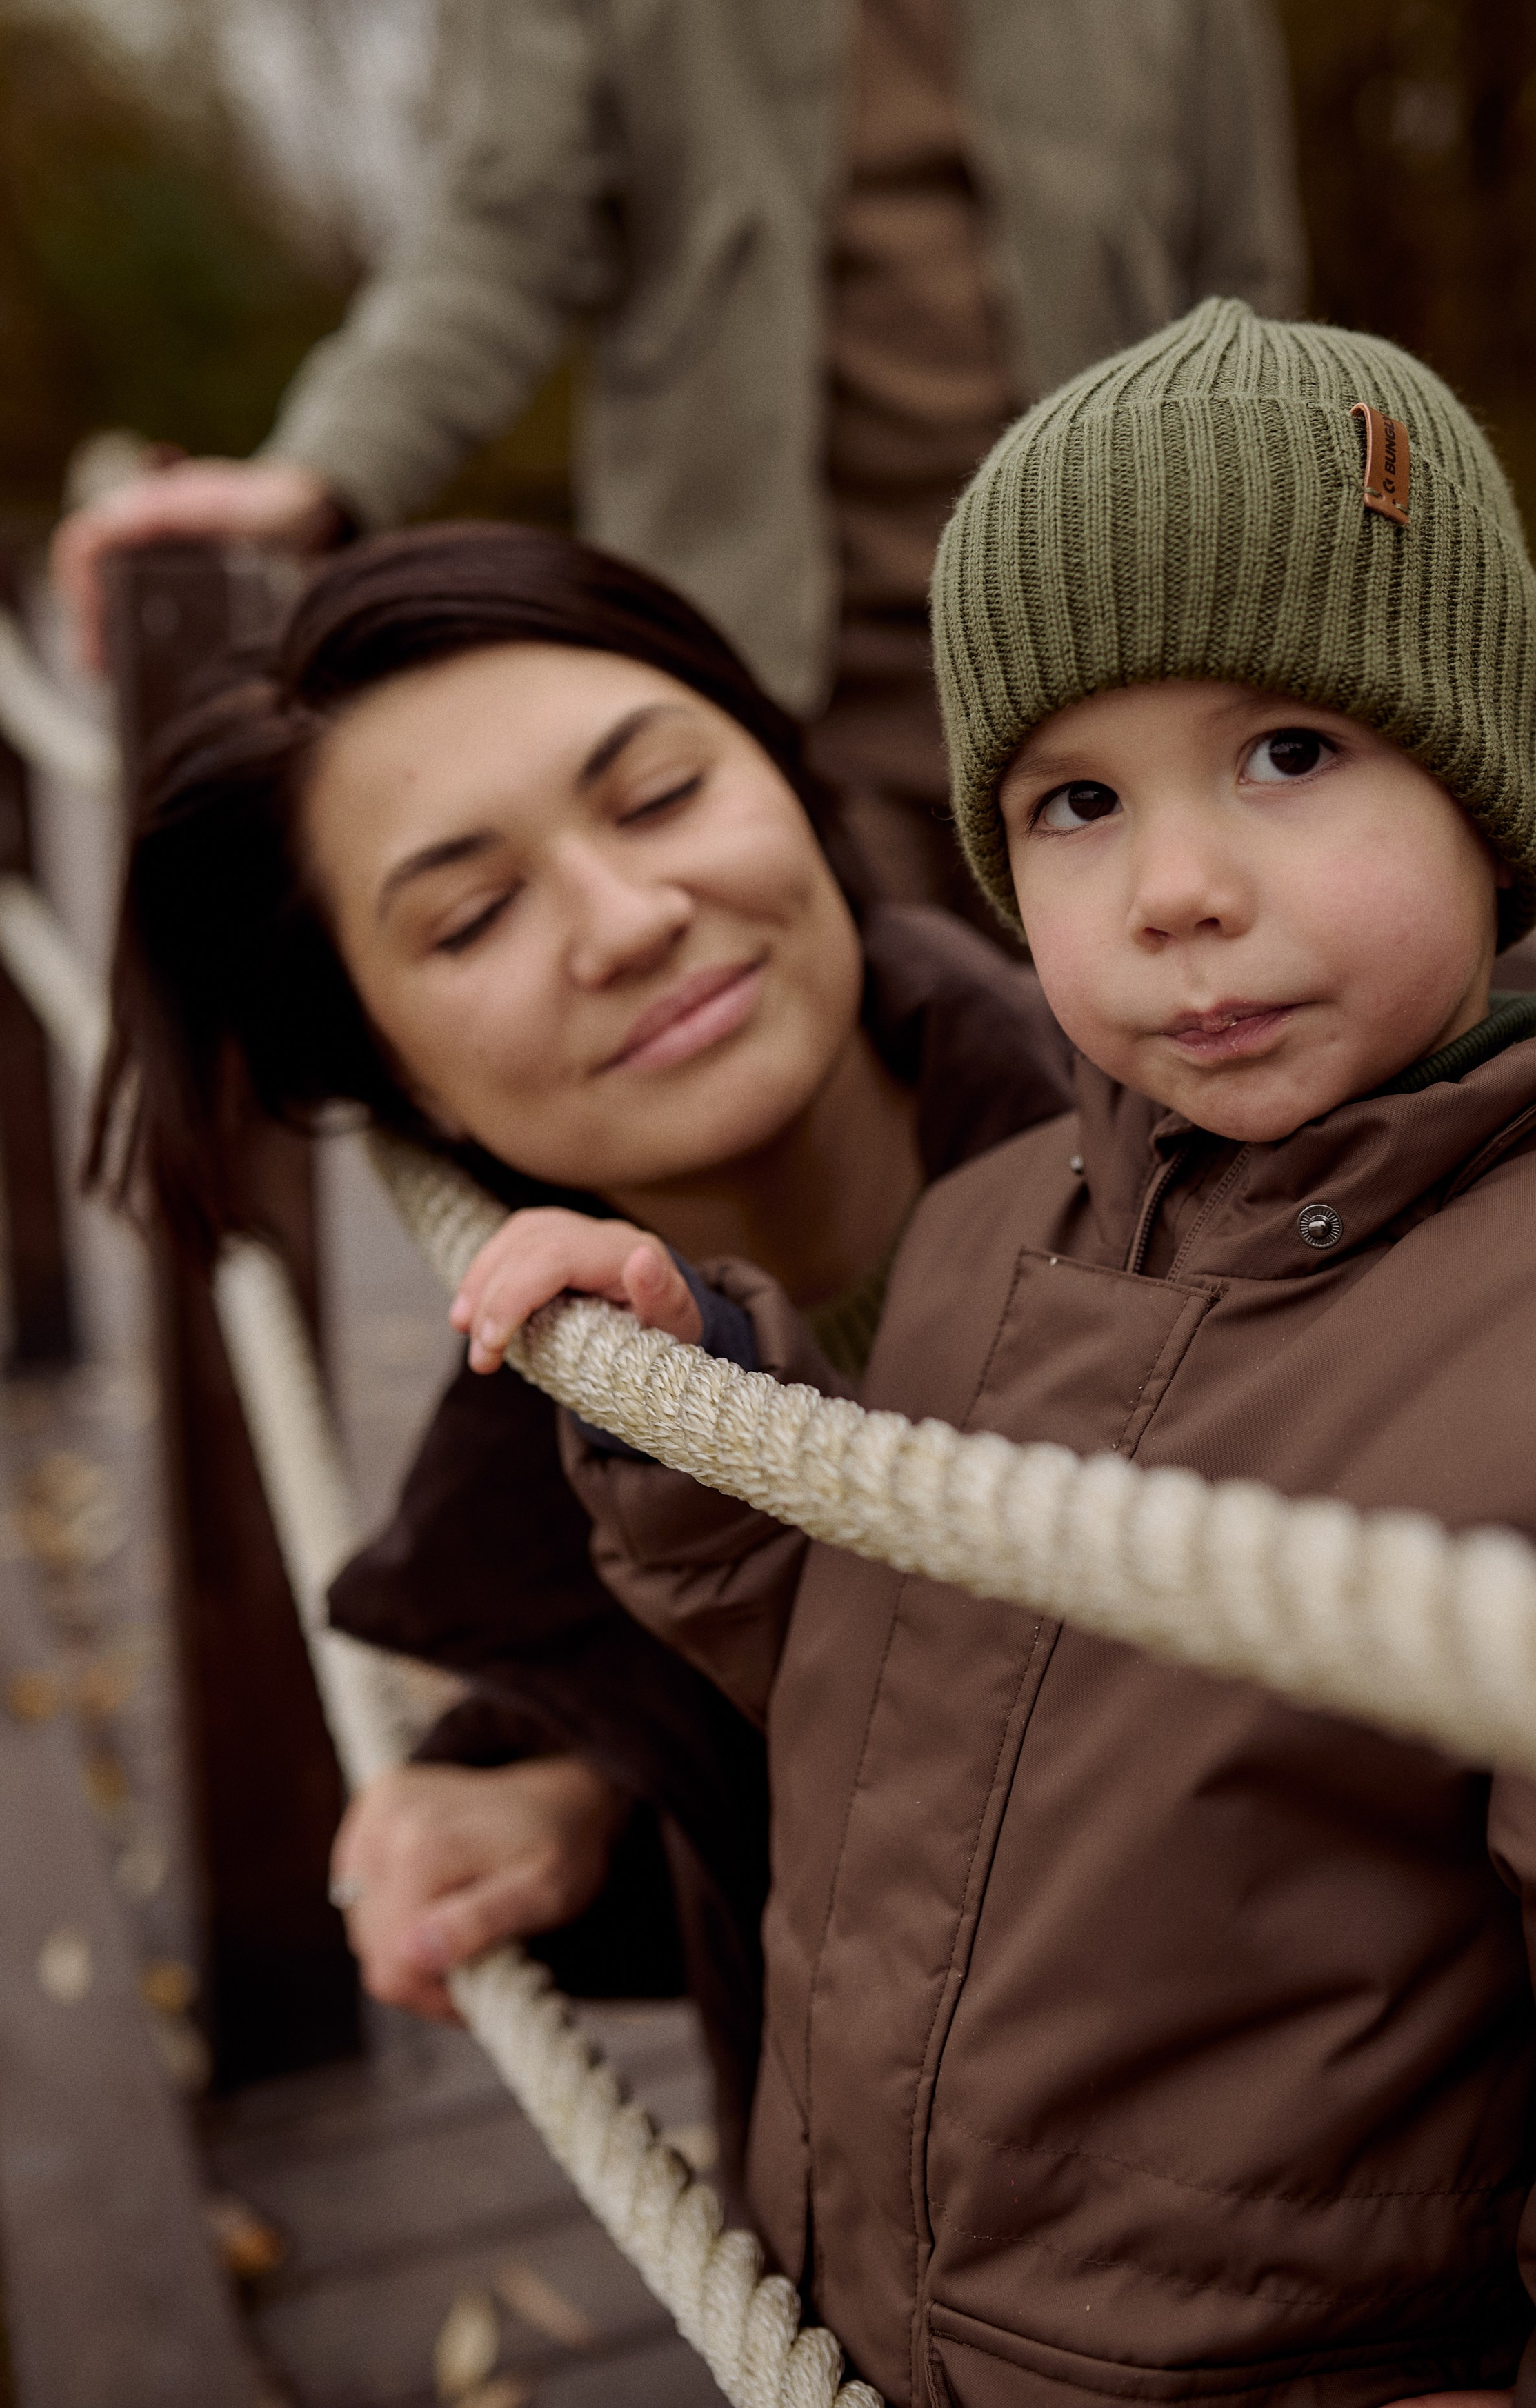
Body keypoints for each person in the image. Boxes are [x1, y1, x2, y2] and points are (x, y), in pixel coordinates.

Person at [448, 303, 1536, 2404]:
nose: (1174, 889)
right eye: (1074, 800)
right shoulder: (989, 1234)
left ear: (1486, 781)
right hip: (853, 2327)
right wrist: (699, 1405)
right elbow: (895, 1710)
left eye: (1290, 755)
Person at [92, 519, 1070, 2173]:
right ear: (393, 1076)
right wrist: (573, 1769)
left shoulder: (1242, 1150)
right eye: (471, 917)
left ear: (783, 765)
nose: (628, 918)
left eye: (663, 794)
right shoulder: (566, 1449)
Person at [52, 0, 1304, 907]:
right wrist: (317, 476)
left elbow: (1252, 304)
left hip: (1121, 669)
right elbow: (502, 241)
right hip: (769, 699)